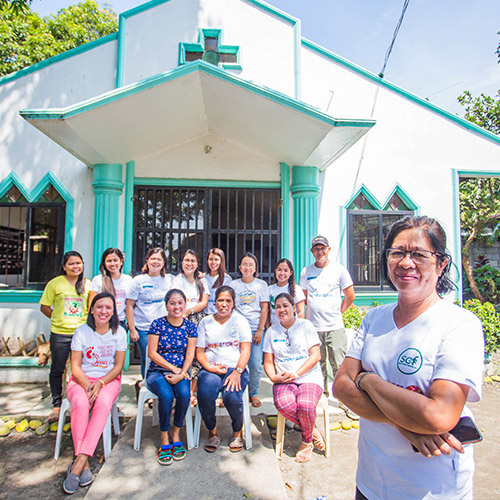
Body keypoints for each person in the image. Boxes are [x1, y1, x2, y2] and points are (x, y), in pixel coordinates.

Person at [333, 216, 484, 500]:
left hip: (431, 489)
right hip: (371, 481)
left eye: (418, 254)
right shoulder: (374, 318)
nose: (405, 262)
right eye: (397, 252)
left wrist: (368, 380)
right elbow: (341, 386)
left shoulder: (459, 325)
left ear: (441, 264)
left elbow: (438, 415)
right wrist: (406, 425)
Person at [63, 292, 126, 494]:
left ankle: (79, 460)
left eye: (108, 308)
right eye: (99, 307)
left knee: (103, 403)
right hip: (81, 380)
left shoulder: (119, 333)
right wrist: (87, 384)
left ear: (113, 312)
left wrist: (100, 383)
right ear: (91, 309)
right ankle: (86, 463)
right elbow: (75, 366)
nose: (104, 311)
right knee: (81, 404)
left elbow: (118, 367)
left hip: (108, 380)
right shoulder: (82, 331)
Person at [263, 293, 325, 463]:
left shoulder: (306, 326)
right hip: (284, 381)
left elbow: (315, 356)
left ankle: (306, 441)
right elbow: (268, 361)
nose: (281, 310)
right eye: (278, 307)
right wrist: (274, 376)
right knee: (284, 404)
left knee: (305, 405)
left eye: (285, 306)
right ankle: (312, 429)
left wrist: (297, 373)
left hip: (308, 377)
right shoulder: (271, 331)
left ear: (293, 308)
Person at [299, 236, 355, 405]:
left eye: (322, 248)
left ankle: (343, 400)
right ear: (311, 251)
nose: (319, 252)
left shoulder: (339, 270)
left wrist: (338, 312)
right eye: (316, 249)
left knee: (338, 363)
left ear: (328, 249)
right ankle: (321, 394)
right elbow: (305, 297)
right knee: (317, 364)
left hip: (334, 327)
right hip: (313, 327)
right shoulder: (306, 272)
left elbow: (350, 295)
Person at [196, 286, 252, 453]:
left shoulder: (240, 320)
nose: (224, 304)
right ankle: (212, 431)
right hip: (211, 368)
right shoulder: (205, 322)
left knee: (231, 396)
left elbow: (246, 350)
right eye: (220, 300)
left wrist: (237, 372)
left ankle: (237, 432)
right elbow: (200, 352)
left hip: (235, 368)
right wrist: (208, 367)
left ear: (233, 303)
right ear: (215, 302)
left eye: (228, 300)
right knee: (205, 393)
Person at [146, 289, 197, 465]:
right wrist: (172, 369)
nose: (176, 307)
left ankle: (176, 432)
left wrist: (182, 373)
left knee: (184, 395)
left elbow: (190, 354)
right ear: (166, 305)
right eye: (172, 303)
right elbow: (152, 353)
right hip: (157, 371)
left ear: (185, 304)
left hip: (181, 372)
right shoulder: (157, 324)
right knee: (166, 396)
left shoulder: (190, 326)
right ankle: (164, 437)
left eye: (180, 303)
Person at [40, 251, 91, 423]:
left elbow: (91, 308)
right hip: (60, 333)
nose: (75, 266)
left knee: (83, 369)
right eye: (71, 264)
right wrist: (59, 318)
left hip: (82, 334)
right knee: (58, 368)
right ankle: (56, 404)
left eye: (78, 263)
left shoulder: (87, 284)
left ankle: (82, 399)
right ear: (64, 267)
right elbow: (45, 307)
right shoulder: (55, 284)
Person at [126, 248, 174, 381]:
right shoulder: (138, 281)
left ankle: (162, 388)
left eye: (159, 259)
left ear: (164, 262)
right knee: (147, 359)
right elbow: (129, 305)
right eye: (152, 258)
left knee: (164, 358)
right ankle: (147, 387)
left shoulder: (170, 280)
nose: (155, 262)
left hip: (165, 329)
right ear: (147, 261)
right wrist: (132, 329)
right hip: (143, 329)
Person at [230, 253, 269, 408]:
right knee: (234, 363)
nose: (247, 267)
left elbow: (264, 308)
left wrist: (260, 330)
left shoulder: (261, 285)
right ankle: (234, 392)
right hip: (237, 331)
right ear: (240, 268)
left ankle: (253, 393)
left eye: (250, 264)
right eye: (244, 264)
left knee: (255, 364)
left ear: (255, 268)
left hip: (254, 331)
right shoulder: (234, 285)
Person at [89, 248, 132, 329]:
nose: (112, 264)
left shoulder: (129, 280)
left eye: (115, 260)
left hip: (120, 322)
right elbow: (91, 304)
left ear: (121, 262)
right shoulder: (98, 280)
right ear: (104, 263)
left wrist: (130, 324)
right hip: (101, 322)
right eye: (109, 261)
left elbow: (130, 305)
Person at [268, 258, 305, 327]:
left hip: (292, 329)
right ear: (275, 270)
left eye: (285, 271)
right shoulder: (269, 289)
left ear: (290, 273)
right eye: (279, 270)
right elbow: (267, 311)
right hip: (274, 329)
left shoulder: (297, 289)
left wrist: (298, 328)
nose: (282, 273)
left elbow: (300, 312)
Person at [204, 248, 232, 315]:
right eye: (210, 259)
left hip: (218, 315)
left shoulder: (226, 279)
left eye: (216, 260)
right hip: (204, 314)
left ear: (221, 261)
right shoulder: (203, 277)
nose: (213, 262)